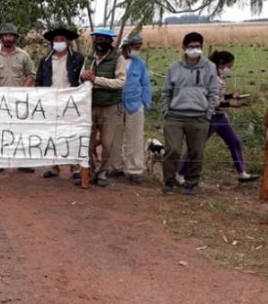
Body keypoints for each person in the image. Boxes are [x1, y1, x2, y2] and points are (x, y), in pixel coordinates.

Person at [176, 50, 259, 184]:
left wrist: (231, 96)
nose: (230, 69)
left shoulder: (219, 76)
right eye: (230, 66)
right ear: (221, 63)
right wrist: (230, 104)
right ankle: (180, 174)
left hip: (220, 116)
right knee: (197, 146)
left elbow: (218, 96)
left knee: (234, 142)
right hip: (210, 117)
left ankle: (241, 173)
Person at [160, 32, 219, 195]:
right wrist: (166, 111)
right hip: (175, 116)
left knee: (196, 152)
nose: (195, 50)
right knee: (173, 150)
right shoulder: (174, 68)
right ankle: (169, 181)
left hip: (199, 117)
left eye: (198, 46)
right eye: (191, 47)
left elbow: (214, 92)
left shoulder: (210, 67)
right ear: (184, 48)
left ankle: (191, 183)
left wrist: (208, 112)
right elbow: (166, 92)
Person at [0, 23, 36, 174]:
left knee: (20, 131)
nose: (9, 38)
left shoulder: (23, 56)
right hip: (0, 102)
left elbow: (31, 74)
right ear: (1, 38)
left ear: (16, 38)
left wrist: (23, 90)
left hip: (19, 102)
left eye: (11, 35)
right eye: (6, 35)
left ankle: (22, 162)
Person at [35, 27, 85, 179]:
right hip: (51, 102)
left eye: (62, 40)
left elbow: (82, 79)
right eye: (56, 40)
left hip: (71, 102)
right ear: (52, 43)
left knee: (72, 134)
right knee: (52, 134)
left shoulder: (78, 58)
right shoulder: (45, 60)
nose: (59, 43)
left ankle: (74, 167)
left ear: (68, 42)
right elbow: (39, 81)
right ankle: (53, 166)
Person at [80, 28, 126, 187]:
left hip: (110, 107)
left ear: (110, 42)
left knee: (107, 143)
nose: (100, 42)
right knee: (88, 142)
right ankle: (90, 173)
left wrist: (96, 80)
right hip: (90, 105)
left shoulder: (118, 58)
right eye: (98, 38)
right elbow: (82, 78)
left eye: (104, 39)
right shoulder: (89, 57)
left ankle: (102, 173)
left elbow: (120, 83)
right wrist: (84, 77)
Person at [108, 35, 152, 184]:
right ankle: (115, 166)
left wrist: (145, 104)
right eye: (135, 47)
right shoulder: (115, 61)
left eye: (139, 48)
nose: (137, 51)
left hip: (135, 104)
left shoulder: (139, 64)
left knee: (135, 138)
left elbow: (145, 84)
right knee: (115, 137)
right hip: (116, 104)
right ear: (127, 47)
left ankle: (134, 170)